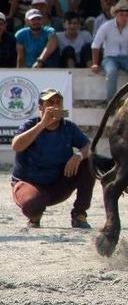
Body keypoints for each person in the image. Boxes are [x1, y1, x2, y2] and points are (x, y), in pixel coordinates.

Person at [10, 88, 94, 229]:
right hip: (30, 184)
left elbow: (90, 147)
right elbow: (16, 146)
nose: (55, 106)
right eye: (50, 102)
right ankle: (35, 217)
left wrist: (78, 156)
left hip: (58, 184)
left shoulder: (69, 127)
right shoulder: (30, 125)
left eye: (58, 103)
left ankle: (79, 214)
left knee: (89, 162)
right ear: (40, 108)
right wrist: (42, 124)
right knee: (33, 205)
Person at [91, 0, 128, 100]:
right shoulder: (106, 26)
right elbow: (95, 45)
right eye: (121, 14)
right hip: (109, 58)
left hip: (127, 58)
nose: (124, 17)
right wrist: (95, 63)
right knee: (111, 72)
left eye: (126, 14)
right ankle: (111, 101)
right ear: (115, 14)